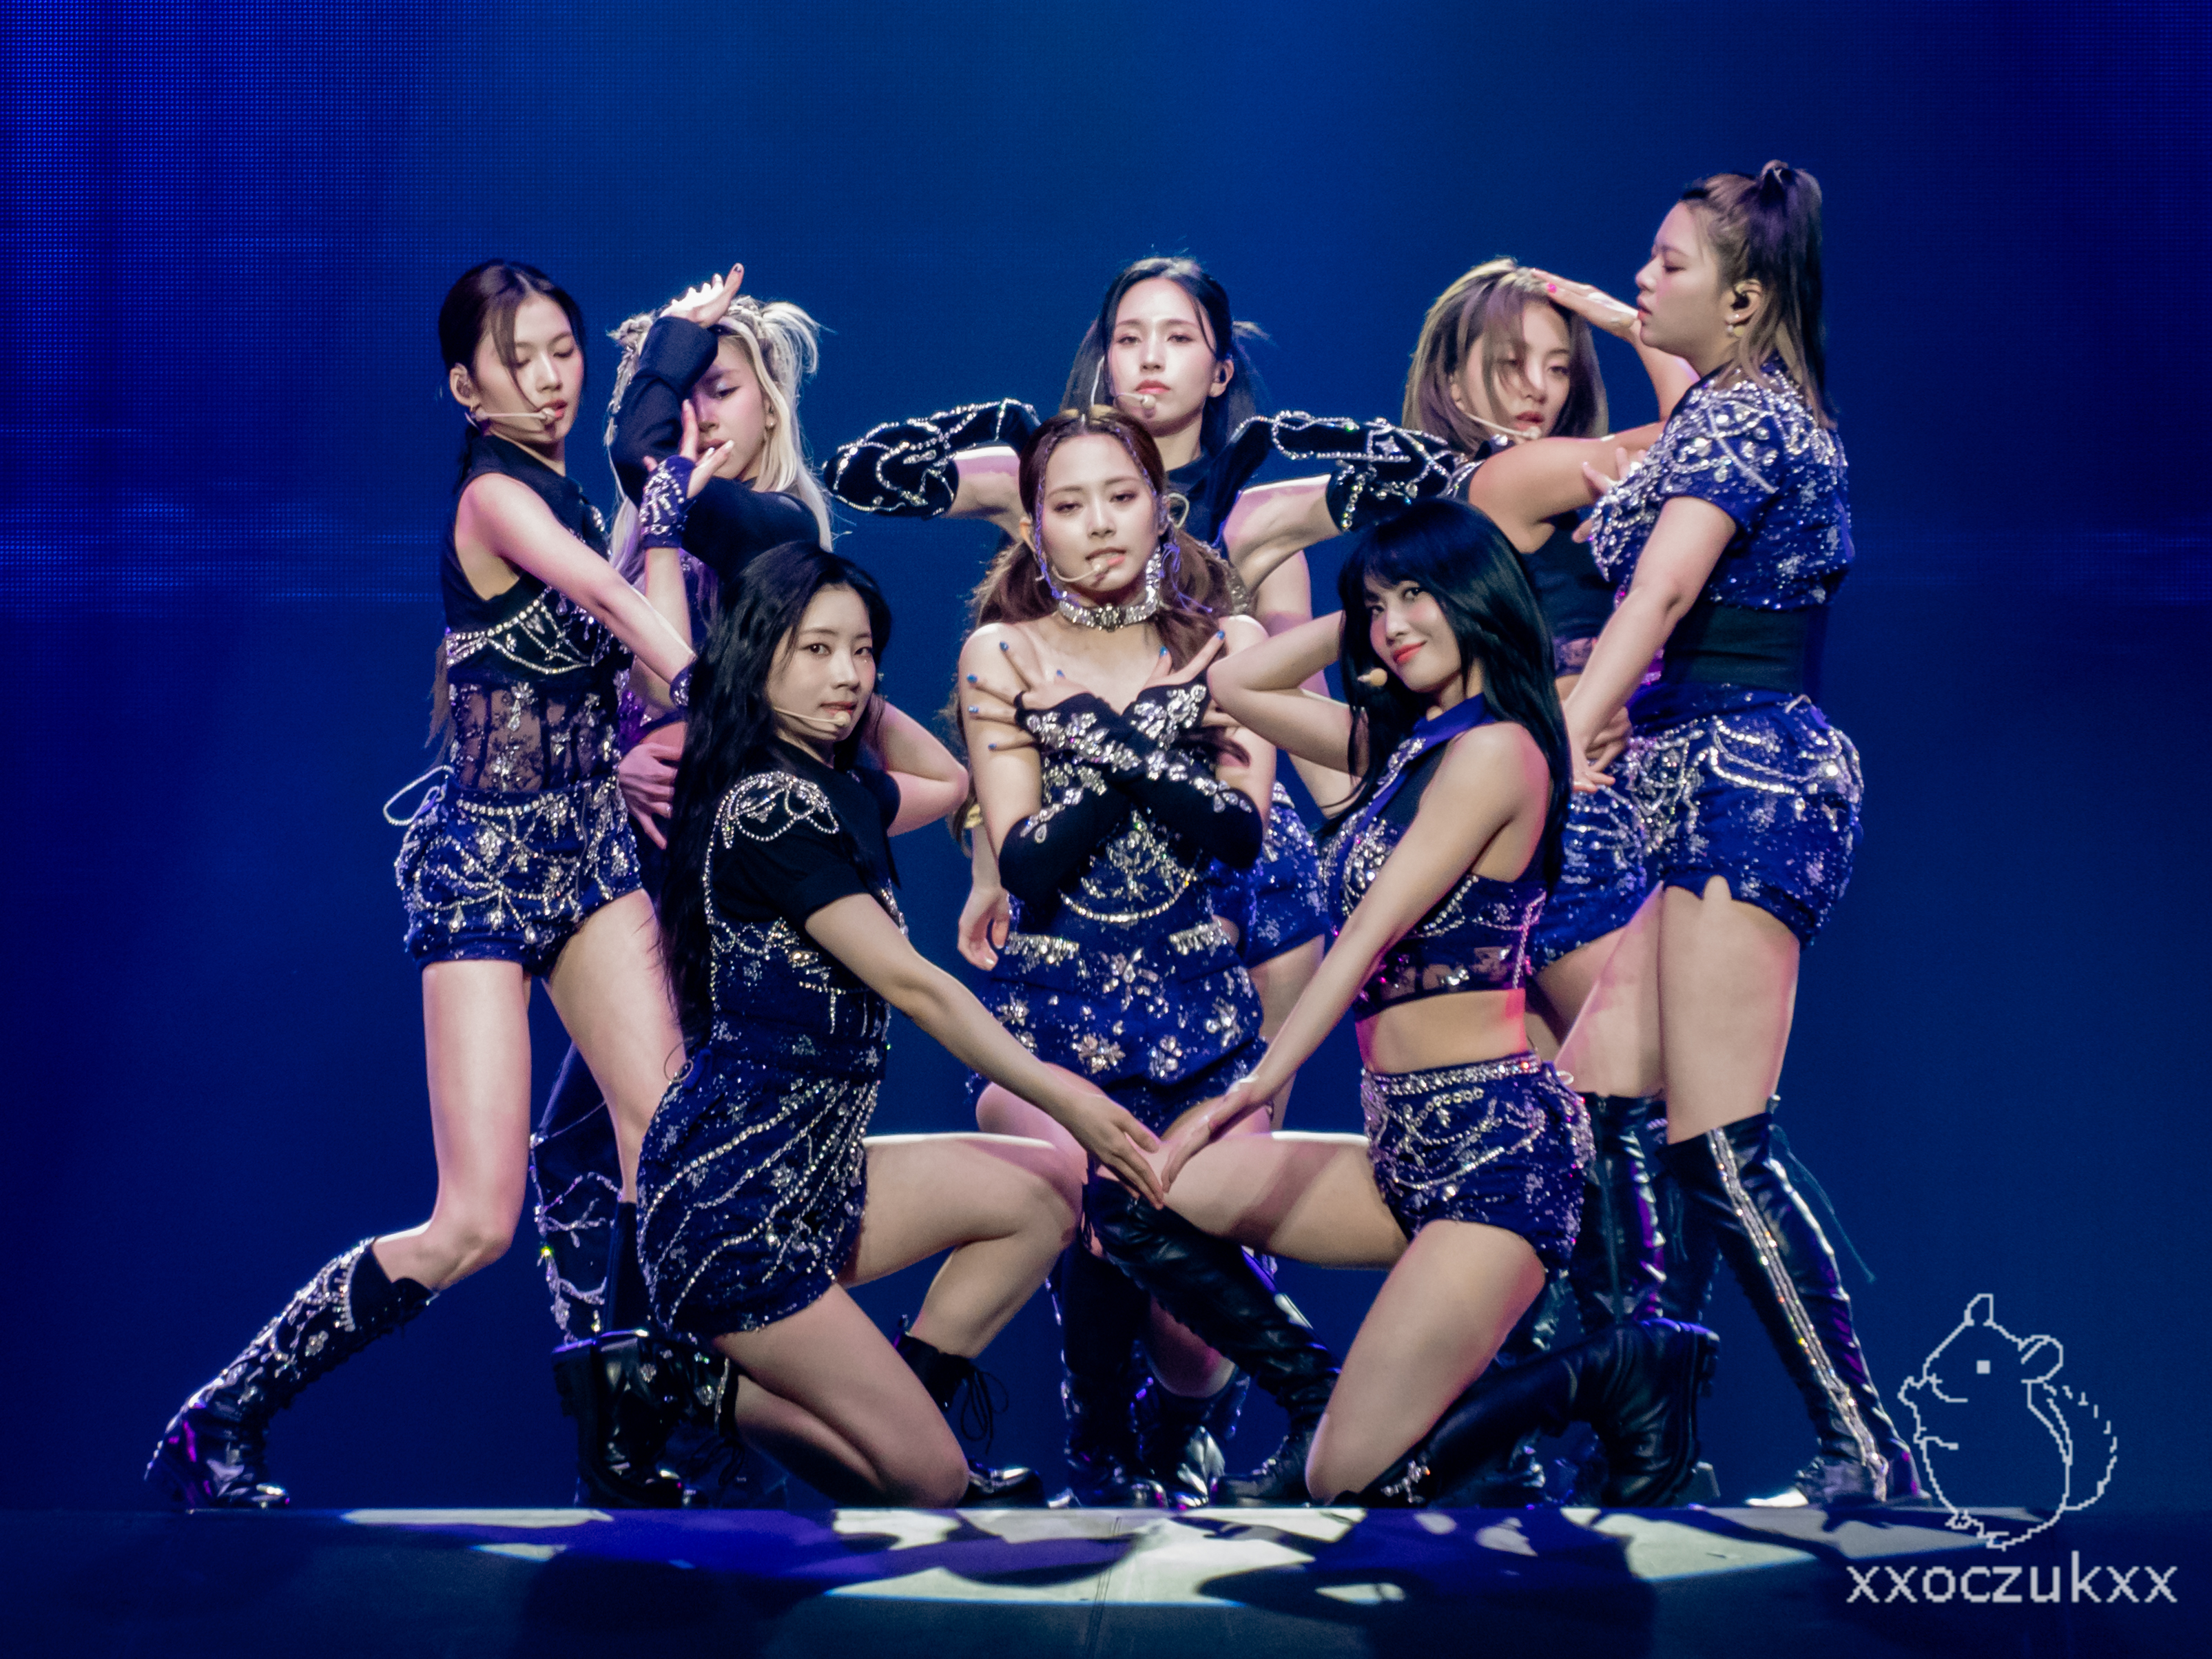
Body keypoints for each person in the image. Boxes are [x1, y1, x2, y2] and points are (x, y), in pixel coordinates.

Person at [147, 261, 719, 1508]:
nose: (552, 379)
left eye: (565, 350)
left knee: (668, 1148)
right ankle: (223, 1416)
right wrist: (718, 696)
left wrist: (667, 476)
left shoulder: (568, 495)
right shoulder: (495, 497)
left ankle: (631, 1444)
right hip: (484, 869)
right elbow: (609, 596)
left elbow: (632, 609)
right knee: (475, 1223)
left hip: (588, 849)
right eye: (521, 358)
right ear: (466, 387)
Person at [1093, 497, 1717, 1506]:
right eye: (1377, 608)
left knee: (1348, 1481)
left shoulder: (1499, 750)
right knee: (1136, 1195)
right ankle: (1315, 1396)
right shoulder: (1400, 749)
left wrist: (1249, 1091)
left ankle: (1619, 1366)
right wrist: (1366, 606)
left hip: (1494, 1157)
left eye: (1419, 597)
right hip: (1399, 1147)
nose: (1393, 627)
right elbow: (1239, 682)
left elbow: (1366, 940)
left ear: (1476, 597)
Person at [1479, 165, 1920, 1506]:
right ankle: (1644, 1439)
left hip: (1748, 782)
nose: (1643, 279)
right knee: (1597, 1108)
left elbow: (1662, 595)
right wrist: (1632, 319)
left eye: (1668, 263)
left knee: (1720, 1144)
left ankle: (1866, 1449)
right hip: (1692, 783)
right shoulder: (1722, 405)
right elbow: (1679, 384)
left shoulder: (1748, 421)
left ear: (1743, 297)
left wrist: (1556, 746)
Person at [632, 543, 1164, 1506]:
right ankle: (675, 1387)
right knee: (927, 1482)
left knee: (1044, 1190)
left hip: (819, 1181)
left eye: (864, 651)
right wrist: (1070, 1099)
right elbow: (916, 988)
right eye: (816, 650)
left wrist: (842, 688)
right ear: (755, 657)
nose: (848, 674)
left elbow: (949, 780)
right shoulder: (770, 808)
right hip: (736, 1205)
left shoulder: (834, 785)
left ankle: (912, 1416)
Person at [951, 406, 1347, 1504]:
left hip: (1201, 1031)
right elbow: (1029, 861)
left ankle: (1182, 1431)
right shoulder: (1001, 651)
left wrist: (1097, 733)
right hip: (1052, 1033)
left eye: (1120, 497)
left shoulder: (1233, 646)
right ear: (1035, 526)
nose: (1098, 524)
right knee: (1088, 1195)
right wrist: (1154, 734)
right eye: (1069, 505)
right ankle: (1098, 1430)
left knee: (1192, 1331)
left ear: (1161, 509)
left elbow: (1238, 831)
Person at [526, 265, 832, 1505]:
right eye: (683, 393)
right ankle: (642, 1432)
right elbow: (607, 699)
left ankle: (679, 1437)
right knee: (587, 1154)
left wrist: (666, 360)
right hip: (635, 879)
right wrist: (615, 766)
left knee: (666, 1149)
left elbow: (683, 690)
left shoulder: (773, 532)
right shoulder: (650, 536)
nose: (699, 416)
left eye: (722, 390)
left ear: (769, 407)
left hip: (723, 901)